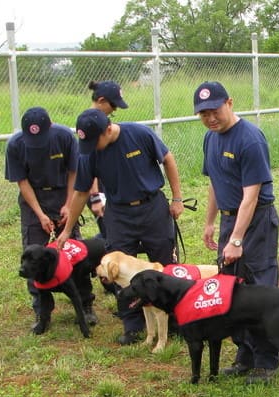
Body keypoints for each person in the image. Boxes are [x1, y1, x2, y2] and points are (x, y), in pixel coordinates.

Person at [55, 108, 185, 345]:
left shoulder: (139, 134)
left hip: (152, 206)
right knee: (118, 270)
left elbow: (167, 158)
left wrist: (177, 198)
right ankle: (133, 324)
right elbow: (82, 191)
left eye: (95, 141)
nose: (92, 147)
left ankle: (174, 318)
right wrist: (66, 230)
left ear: (108, 128)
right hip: (118, 213)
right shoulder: (89, 153)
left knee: (164, 262)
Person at [194, 81, 279, 385]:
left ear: (229, 103)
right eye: (203, 114)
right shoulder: (210, 139)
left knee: (259, 289)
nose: (210, 118)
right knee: (229, 290)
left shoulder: (250, 139)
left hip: (255, 221)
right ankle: (245, 352)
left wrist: (236, 239)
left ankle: (267, 360)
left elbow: (252, 196)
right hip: (231, 219)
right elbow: (215, 183)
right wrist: (210, 222)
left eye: (215, 110)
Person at [5, 106, 96, 332]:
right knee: (32, 254)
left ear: (51, 126)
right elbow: (22, 182)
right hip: (33, 198)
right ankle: (42, 310)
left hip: (62, 192)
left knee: (73, 252)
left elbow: (74, 172)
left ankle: (85, 304)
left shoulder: (65, 137)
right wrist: (40, 215)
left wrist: (68, 204)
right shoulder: (15, 145)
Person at [86, 80, 129, 237]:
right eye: (113, 106)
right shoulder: (90, 126)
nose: (114, 110)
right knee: (111, 233)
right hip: (98, 188)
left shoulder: (103, 121)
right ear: (101, 101)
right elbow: (88, 167)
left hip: (110, 184)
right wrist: (95, 197)